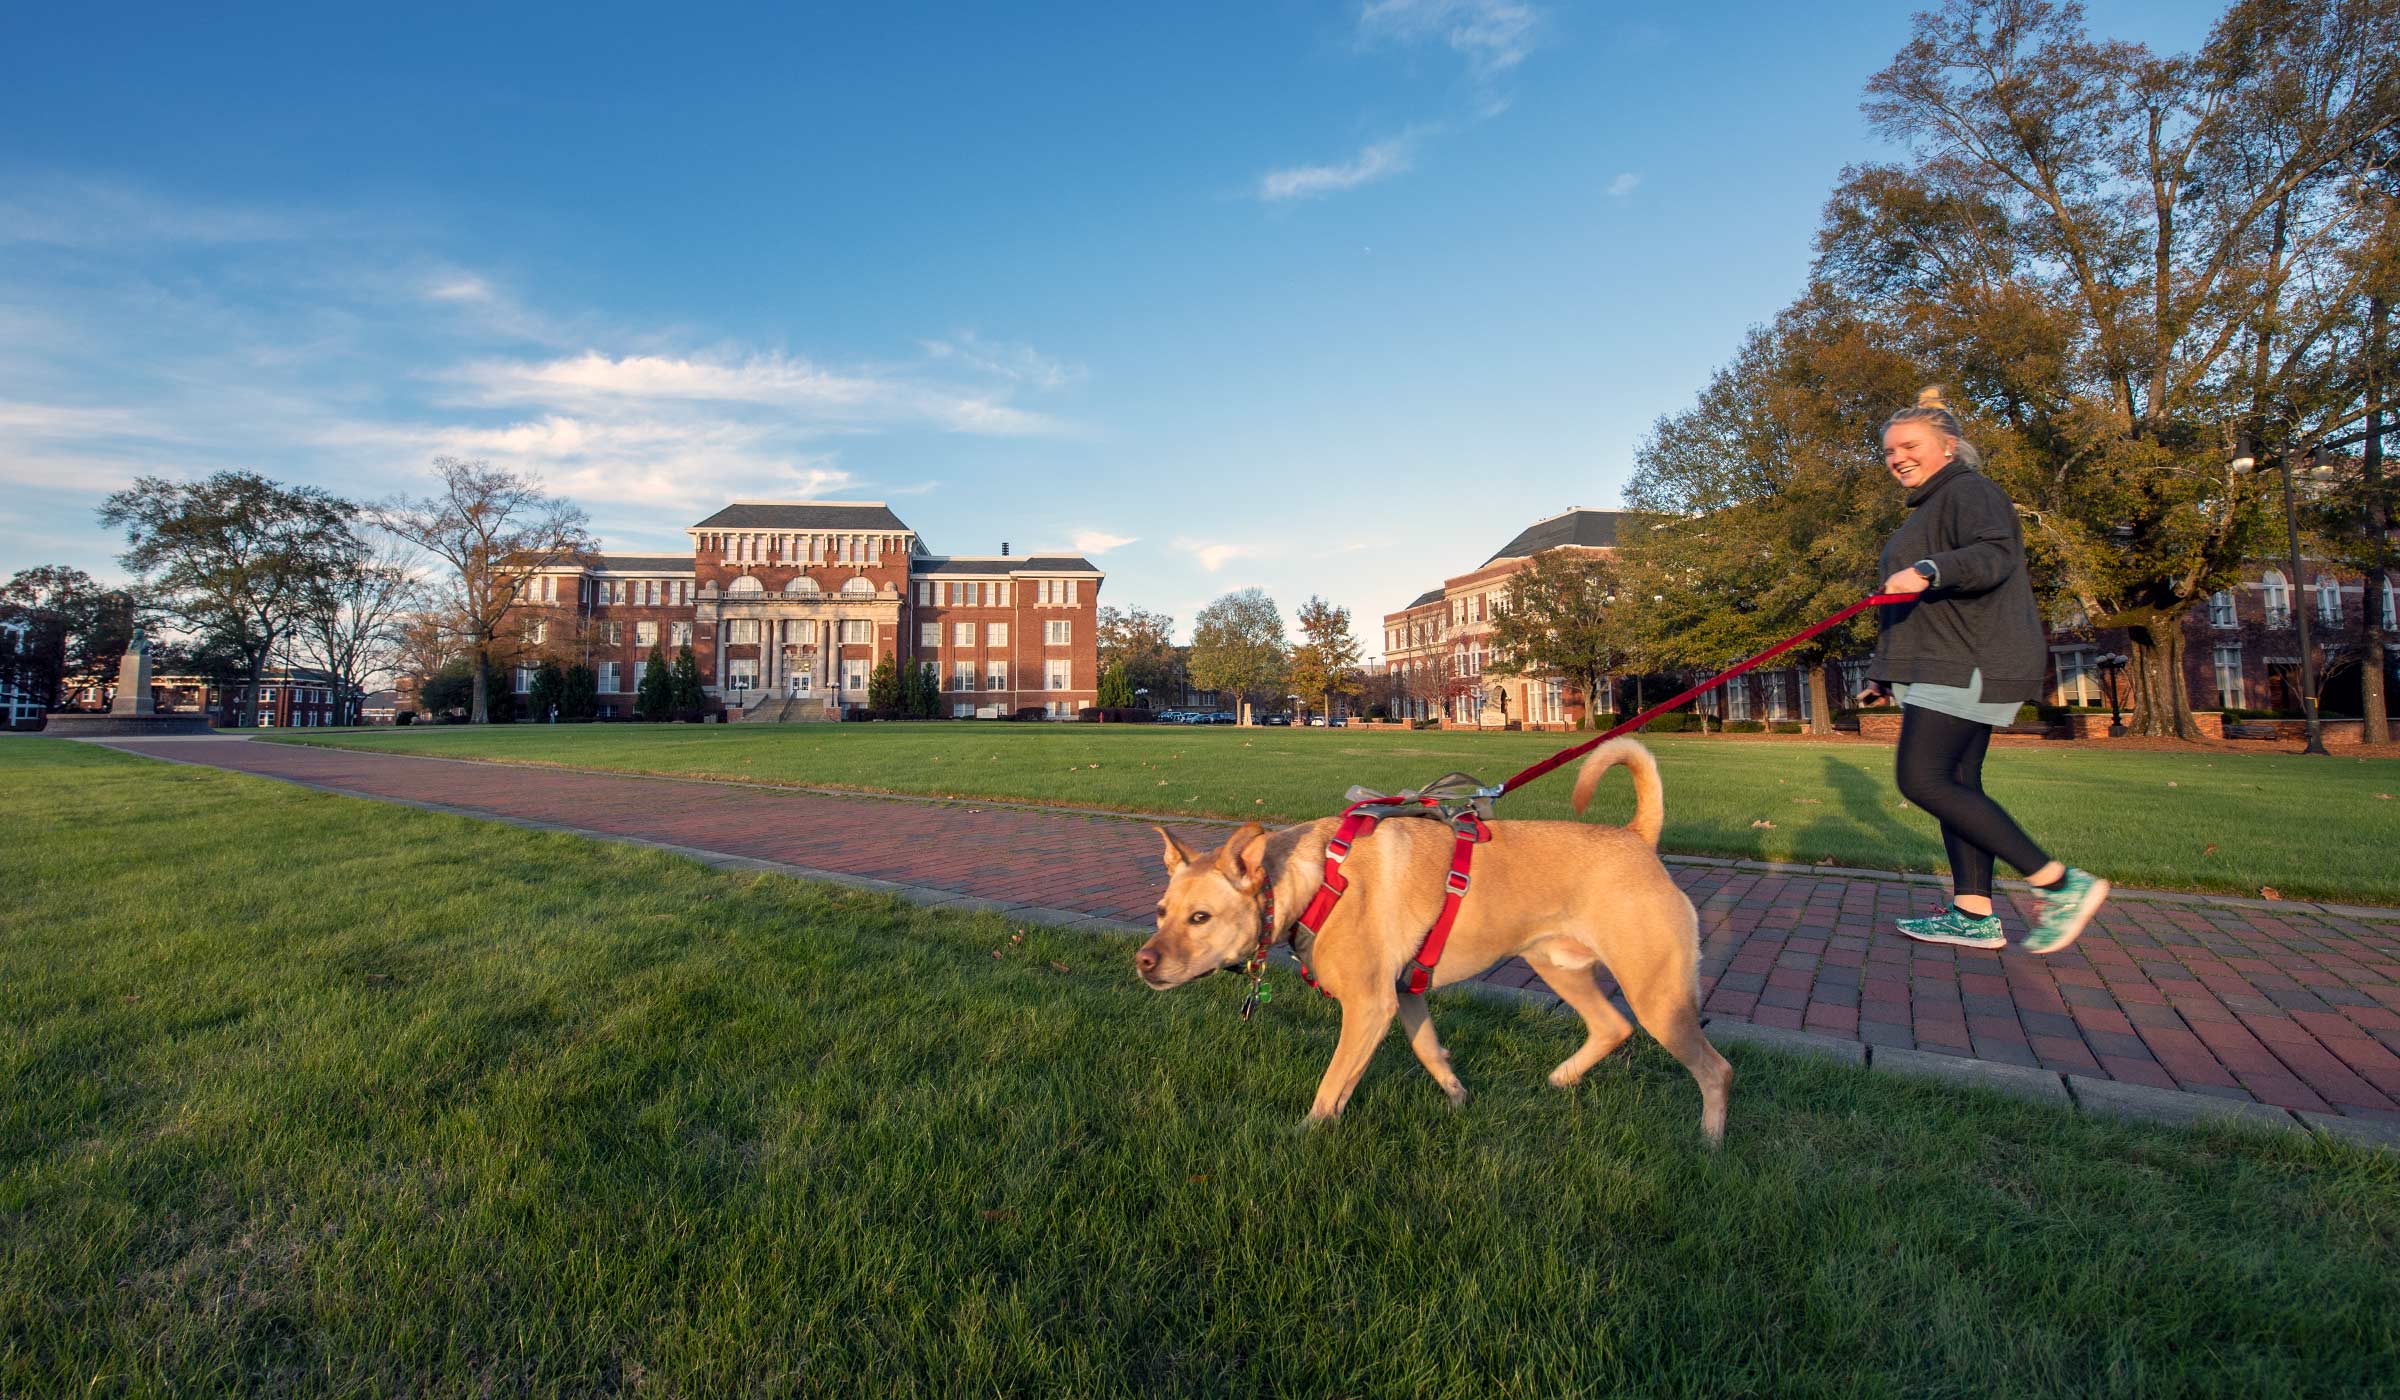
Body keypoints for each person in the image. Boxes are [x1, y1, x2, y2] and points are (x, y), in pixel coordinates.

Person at [1858, 387, 2111, 955]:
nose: (1898, 456)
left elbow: (1997, 554)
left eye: (1910, 445)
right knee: (1958, 783)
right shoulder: (1931, 507)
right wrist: (1884, 671)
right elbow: (1913, 607)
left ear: (1948, 446)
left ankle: (2060, 883)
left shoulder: (1971, 491)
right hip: (1940, 659)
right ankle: (1974, 913)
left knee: (1921, 779)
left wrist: (1928, 568)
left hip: (1968, 660)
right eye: (1890, 450)